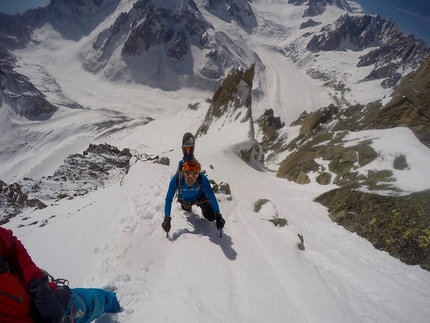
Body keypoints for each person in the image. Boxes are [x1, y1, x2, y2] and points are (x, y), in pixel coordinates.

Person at [0, 227, 121, 323]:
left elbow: (11, 244)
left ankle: (121, 300)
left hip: (54, 302)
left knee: (96, 301)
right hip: (49, 304)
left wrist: (37, 284)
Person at [162, 159, 226, 234]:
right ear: (183, 173)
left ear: (198, 175)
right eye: (187, 174)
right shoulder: (177, 179)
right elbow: (169, 199)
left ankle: (204, 210)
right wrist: (167, 218)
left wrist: (218, 214)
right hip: (185, 200)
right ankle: (188, 206)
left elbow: (211, 197)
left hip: (200, 198)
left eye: (193, 176)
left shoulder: (202, 179)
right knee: (186, 210)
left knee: (212, 217)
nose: (190, 178)